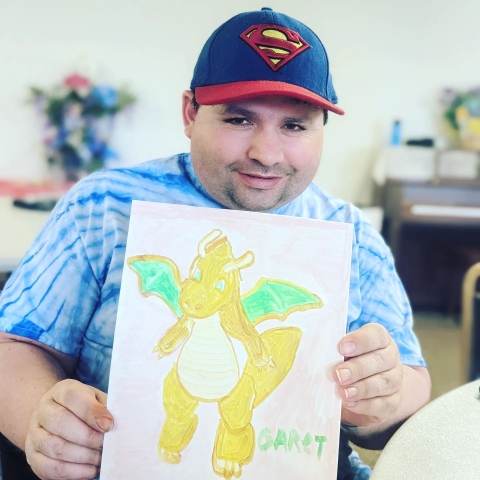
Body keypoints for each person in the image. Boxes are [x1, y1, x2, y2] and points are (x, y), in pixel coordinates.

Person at [0, 7, 430, 480]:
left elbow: (411, 389)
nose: (266, 154)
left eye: (295, 125)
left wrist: (385, 394)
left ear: (321, 129)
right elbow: (14, 346)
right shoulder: (103, 207)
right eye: (239, 119)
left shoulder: (353, 237)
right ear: (191, 113)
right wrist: (40, 420)